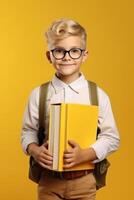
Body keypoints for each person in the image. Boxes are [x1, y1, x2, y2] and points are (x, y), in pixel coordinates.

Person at [21, 18, 120, 200]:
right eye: (59, 51)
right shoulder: (38, 94)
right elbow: (28, 132)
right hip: (48, 181)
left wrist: (86, 154)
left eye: (74, 51)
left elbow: (112, 138)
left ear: (85, 55)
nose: (67, 57)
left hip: (84, 181)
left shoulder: (98, 95)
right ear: (49, 56)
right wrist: (35, 150)